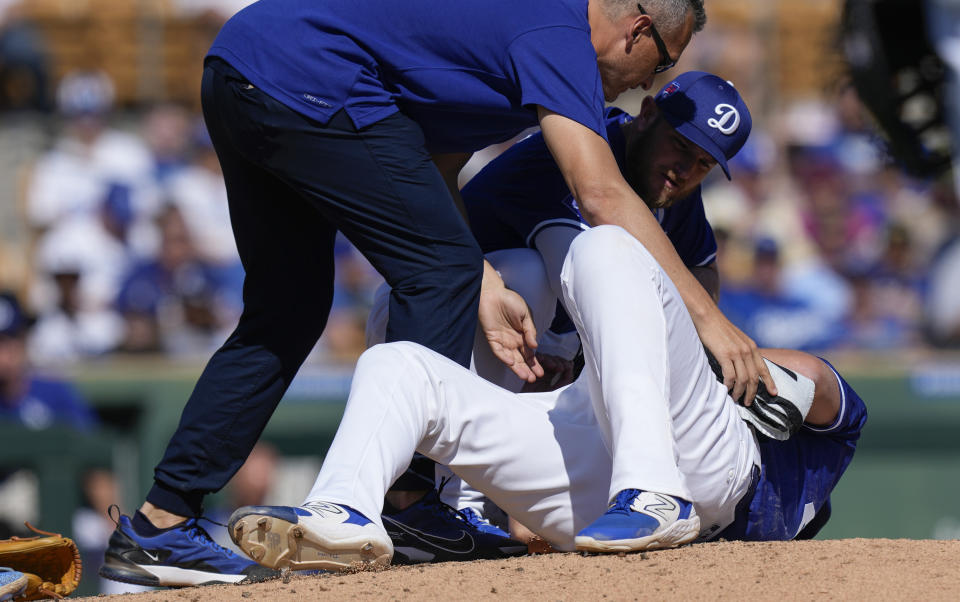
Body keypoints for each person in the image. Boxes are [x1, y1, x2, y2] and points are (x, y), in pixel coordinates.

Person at [101, 0, 772, 587]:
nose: (648, 82)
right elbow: (600, 194)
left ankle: (161, 524)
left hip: (242, 69)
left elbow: (438, 163)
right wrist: (711, 321)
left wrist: (477, 277)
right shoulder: (559, 32)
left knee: (290, 310)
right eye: (660, 63)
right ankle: (410, 503)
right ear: (637, 29)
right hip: (308, 77)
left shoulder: (521, 35)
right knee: (439, 274)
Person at [224, 223, 866, 569]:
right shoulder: (818, 446)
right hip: (601, 472)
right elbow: (827, 392)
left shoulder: (780, 500)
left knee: (604, 244)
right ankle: (341, 516)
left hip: (707, 473)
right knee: (398, 366)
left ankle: (656, 494)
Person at [361, 71, 755, 561]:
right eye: (679, 144)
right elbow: (585, 267)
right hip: (427, 332)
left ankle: (458, 511)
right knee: (531, 273)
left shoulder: (667, 179)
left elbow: (699, 274)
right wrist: (561, 350)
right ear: (648, 113)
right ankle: (440, 504)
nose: (685, 167)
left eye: (703, 162)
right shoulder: (571, 157)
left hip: (524, 350)